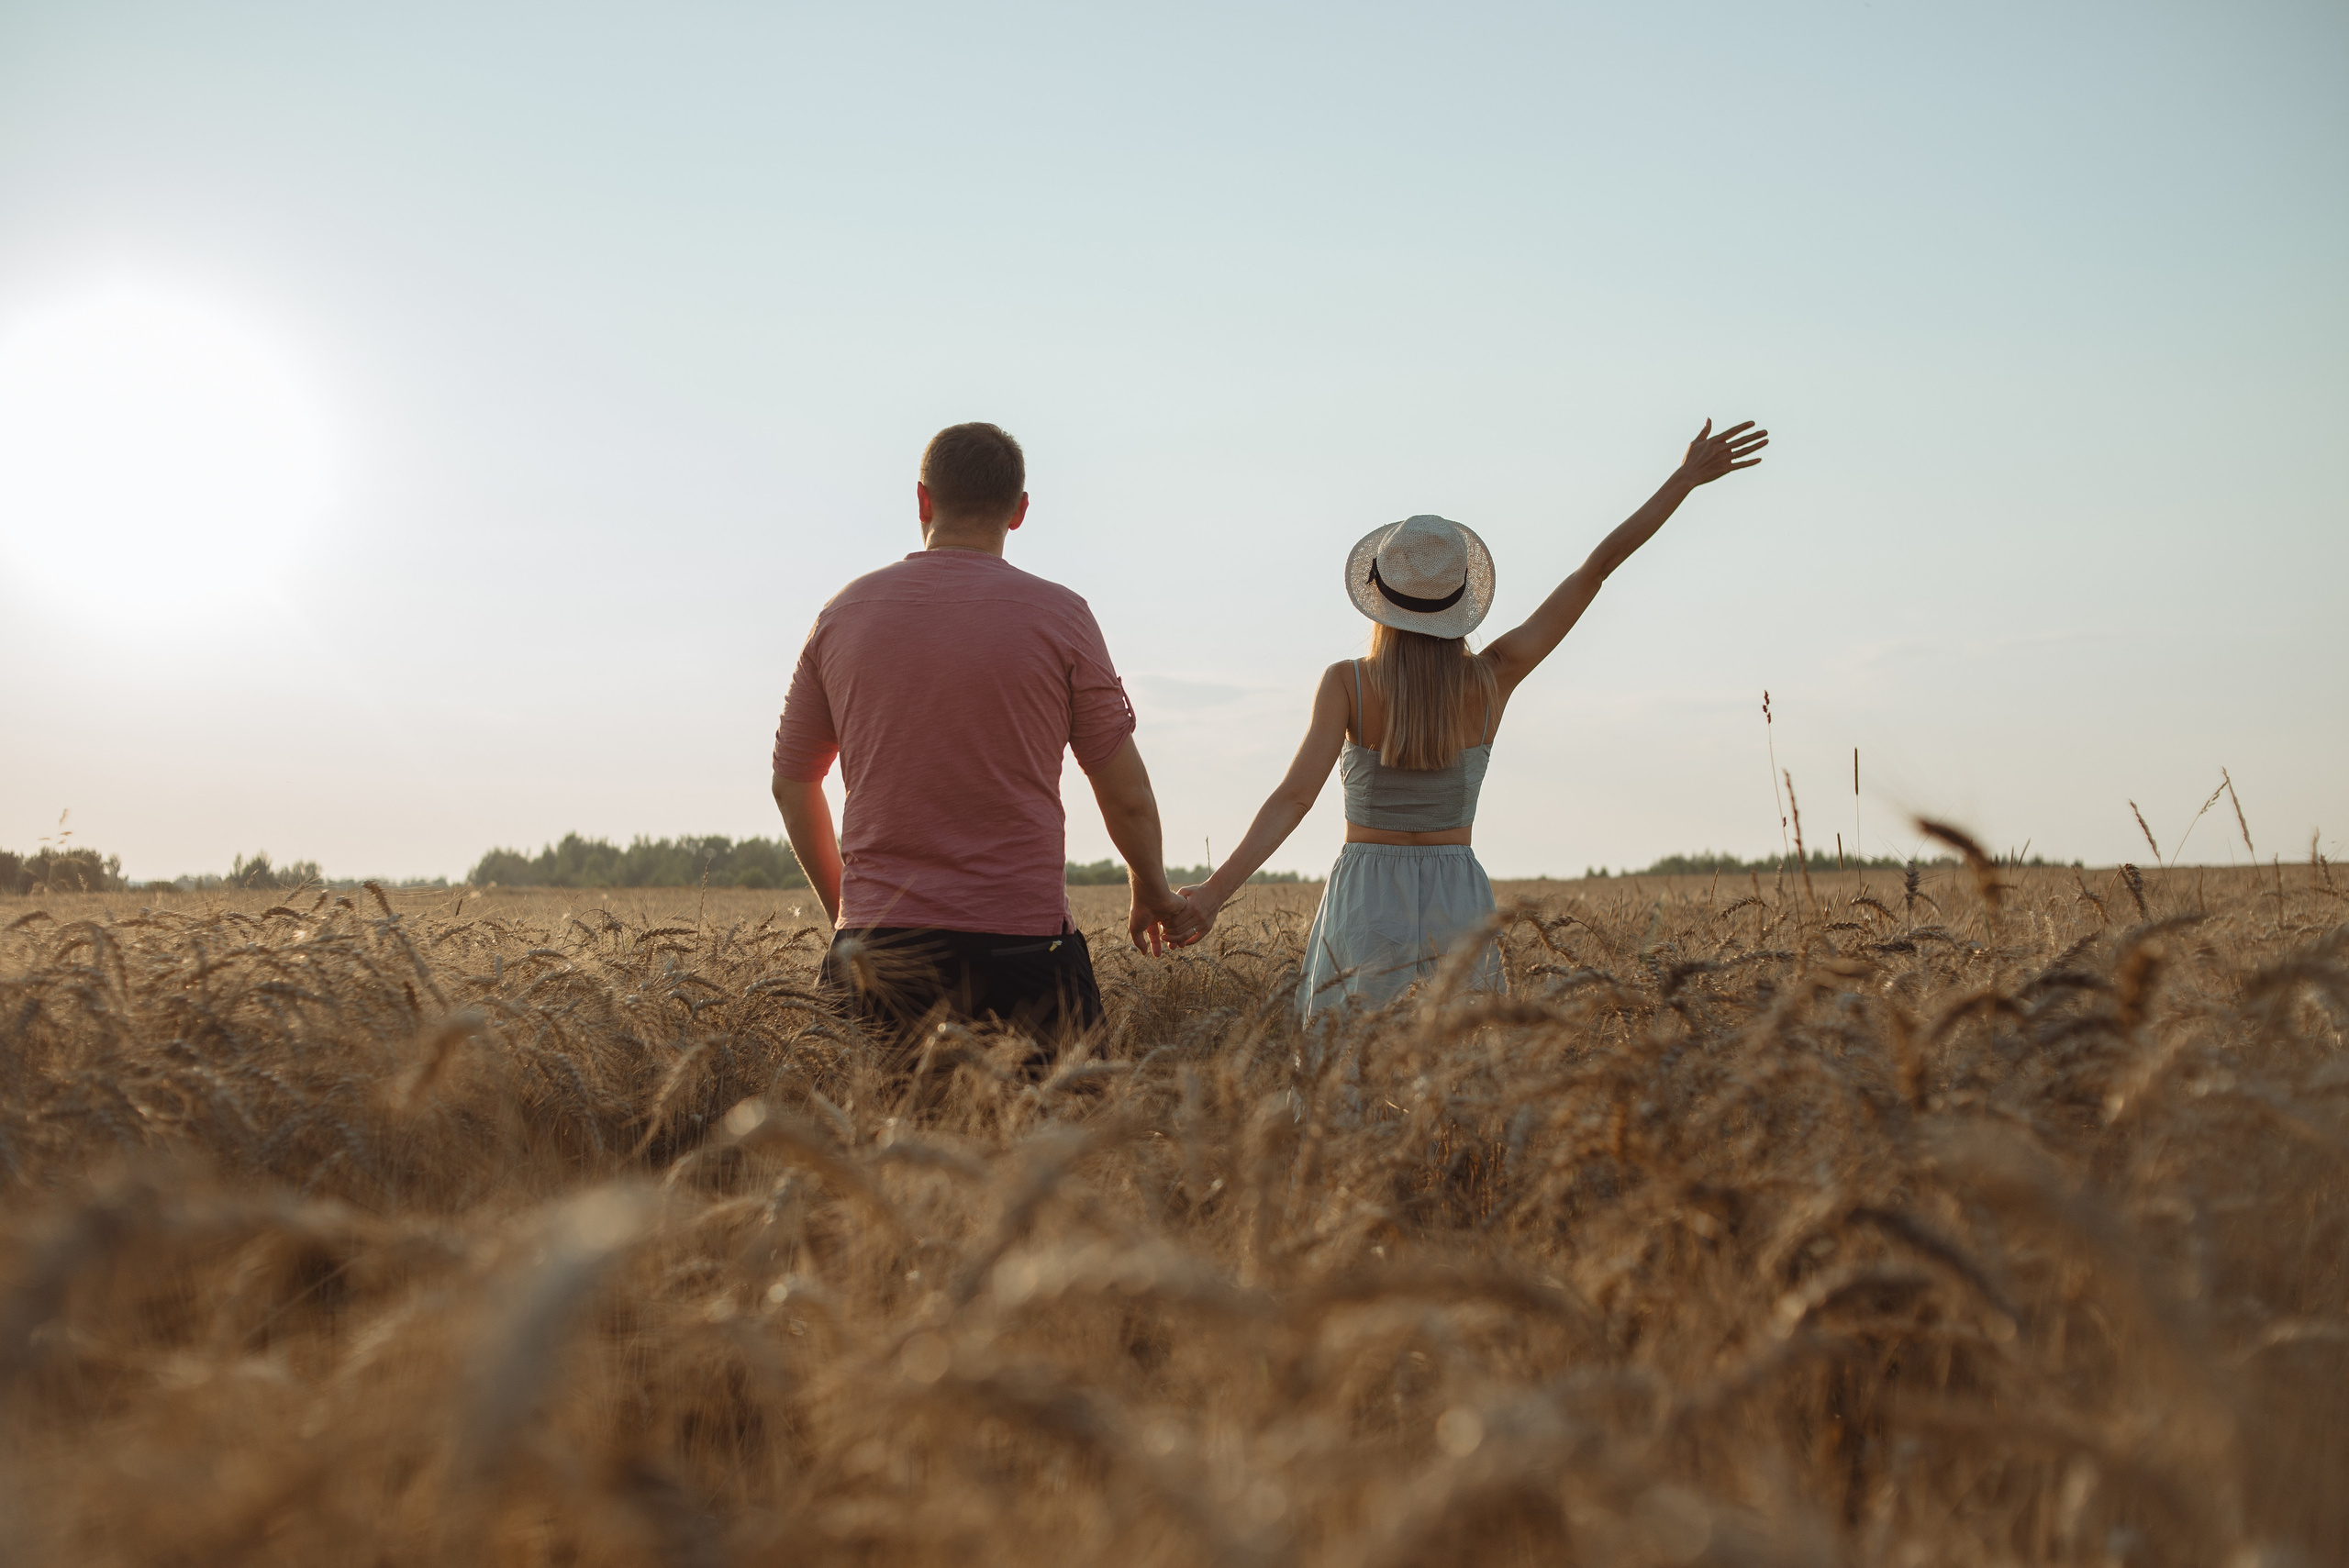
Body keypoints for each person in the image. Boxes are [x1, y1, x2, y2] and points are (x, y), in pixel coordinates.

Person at [1177, 418, 1769, 1018]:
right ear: (1459, 603)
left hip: (1364, 902)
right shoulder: (1493, 677)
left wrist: (1212, 895)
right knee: (1457, 1086)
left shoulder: (1348, 683)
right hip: (1457, 901)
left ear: (1378, 596)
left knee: (1349, 1085)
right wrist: (1684, 479)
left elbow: (1293, 798)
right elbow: (1595, 570)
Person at [770, 421, 1200, 1052]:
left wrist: (853, 913)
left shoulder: (842, 614)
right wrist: (1152, 888)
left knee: (870, 1145)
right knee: (1058, 1141)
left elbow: (792, 782)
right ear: (1020, 510)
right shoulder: (1063, 616)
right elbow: (1125, 791)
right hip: (1025, 950)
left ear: (922, 500)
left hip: (877, 949)